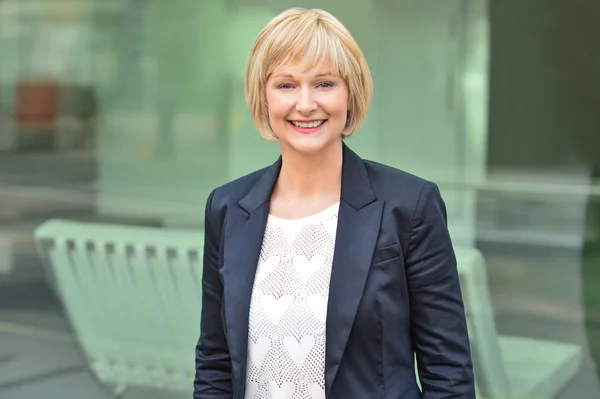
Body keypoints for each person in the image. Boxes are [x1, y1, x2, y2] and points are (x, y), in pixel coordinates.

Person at [194, 7, 475, 399]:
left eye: (324, 83)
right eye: (286, 85)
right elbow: (215, 363)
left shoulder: (409, 207)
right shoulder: (227, 208)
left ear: (350, 93)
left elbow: (448, 372)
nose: (306, 104)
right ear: (264, 96)